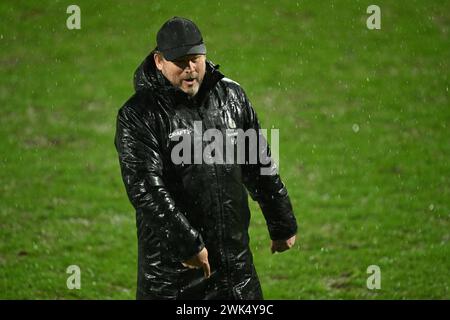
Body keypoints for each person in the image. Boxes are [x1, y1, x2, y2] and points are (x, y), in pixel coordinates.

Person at [114, 16, 297, 300]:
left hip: (235, 270)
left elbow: (259, 163)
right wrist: (188, 245)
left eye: (196, 58)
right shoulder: (139, 115)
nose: (190, 69)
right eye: (180, 61)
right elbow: (145, 188)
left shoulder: (232, 97)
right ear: (159, 61)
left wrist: (281, 222)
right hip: (174, 277)